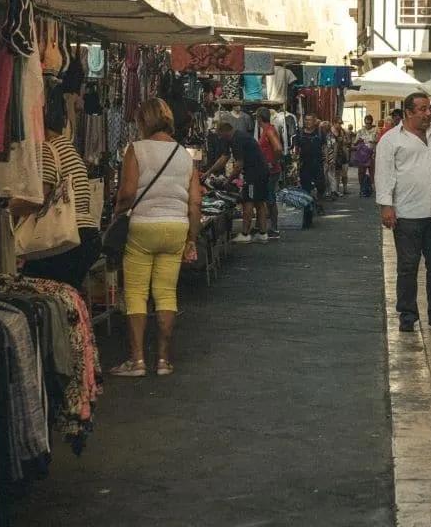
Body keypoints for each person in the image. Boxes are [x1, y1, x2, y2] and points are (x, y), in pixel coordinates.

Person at [110, 98, 201, 377]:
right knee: (166, 293)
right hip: (175, 227)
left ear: (142, 121)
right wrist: (191, 239)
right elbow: (195, 202)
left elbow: (126, 193)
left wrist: (116, 213)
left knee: (137, 293)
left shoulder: (136, 150)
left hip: (143, 226)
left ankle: (137, 361)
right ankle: (163, 360)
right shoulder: (185, 155)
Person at [376, 92, 431, 333]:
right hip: (407, 214)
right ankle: (408, 315)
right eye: (421, 109)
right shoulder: (391, 140)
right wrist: (386, 206)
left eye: (428, 108)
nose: (427, 113)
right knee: (408, 267)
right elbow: (384, 173)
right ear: (409, 112)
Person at [15, 86, 102, 288]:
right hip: (88, 235)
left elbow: (41, 197)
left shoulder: (48, 149)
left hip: (68, 238)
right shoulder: (67, 147)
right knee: (65, 298)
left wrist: (10, 208)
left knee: (36, 288)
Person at [211, 121, 271, 243]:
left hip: (254, 174)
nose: (220, 138)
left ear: (225, 132)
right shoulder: (236, 137)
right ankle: (263, 233)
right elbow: (225, 157)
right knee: (259, 201)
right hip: (261, 171)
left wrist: (228, 180)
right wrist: (209, 172)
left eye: (220, 135)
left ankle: (245, 234)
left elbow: (238, 165)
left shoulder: (237, 140)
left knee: (248, 201)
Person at [256, 107, 284, 239]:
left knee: (270, 198)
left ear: (259, 118)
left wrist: (272, 162)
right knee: (268, 198)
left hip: (271, 171)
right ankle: (272, 227)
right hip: (269, 170)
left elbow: (278, 148)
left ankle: (274, 228)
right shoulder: (266, 130)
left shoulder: (269, 130)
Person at [295, 114, 326, 200]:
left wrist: (327, 161)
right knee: (306, 188)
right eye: (306, 120)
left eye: (310, 120)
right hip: (304, 165)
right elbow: (296, 149)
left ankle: (319, 203)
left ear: (314, 121)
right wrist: (295, 165)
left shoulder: (319, 133)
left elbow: (324, 147)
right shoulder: (300, 133)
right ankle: (308, 208)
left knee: (321, 187)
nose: (308, 122)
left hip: (318, 165)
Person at [353, 114, 379, 197]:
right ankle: (362, 188)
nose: (368, 125)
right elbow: (355, 142)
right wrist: (358, 141)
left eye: (369, 123)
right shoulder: (360, 131)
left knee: (372, 173)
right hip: (362, 155)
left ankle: (373, 188)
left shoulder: (376, 131)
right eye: (366, 123)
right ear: (364, 122)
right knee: (361, 172)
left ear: (371, 122)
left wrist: (374, 142)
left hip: (372, 155)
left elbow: (378, 141)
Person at [320, 120, 339, 198]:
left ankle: (333, 191)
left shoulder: (330, 135)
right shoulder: (321, 136)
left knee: (330, 175)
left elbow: (334, 147)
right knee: (325, 176)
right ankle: (328, 191)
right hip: (324, 159)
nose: (322, 129)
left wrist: (333, 158)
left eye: (323, 127)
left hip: (329, 158)